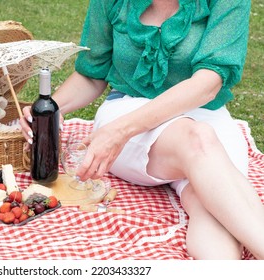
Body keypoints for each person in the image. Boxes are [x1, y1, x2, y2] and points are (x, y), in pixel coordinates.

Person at [20, 0, 264, 260]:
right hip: (128, 110)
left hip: (205, 112)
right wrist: (50, 109)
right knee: (198, 140)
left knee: (215, 206)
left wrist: (119, 133)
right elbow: (93, 75)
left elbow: (207, 85)